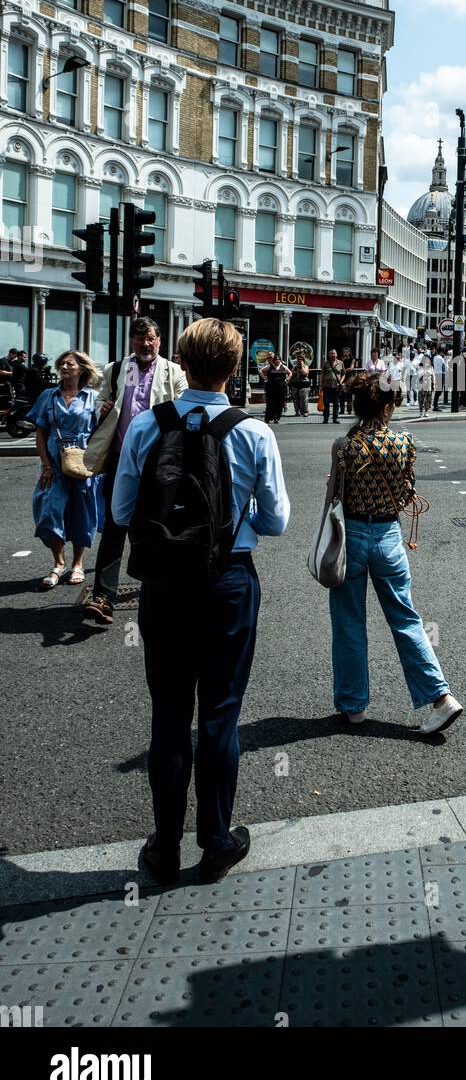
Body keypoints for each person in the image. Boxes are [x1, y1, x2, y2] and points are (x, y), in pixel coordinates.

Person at [112, 318, 290, 886]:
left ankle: (163, 845)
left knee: (168, 714)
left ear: (181, 363)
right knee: (219, 713)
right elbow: (277, 521)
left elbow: (118, 515)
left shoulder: (145, 426)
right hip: (227, 583)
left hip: (163, 587)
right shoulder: (254, 432)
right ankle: (215, 840)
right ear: (235, 368)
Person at [327, 373, 462, 732]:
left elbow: (333, 498)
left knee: (349, 621)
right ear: (387, 407)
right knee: (405, 619)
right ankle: (441, 697)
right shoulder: (404, 442)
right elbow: (406, 493)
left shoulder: (344, 446)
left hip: (351, 535)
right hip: (388, 536)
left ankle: (354, 705)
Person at [81, 319, 186, 626]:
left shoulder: (173, 372)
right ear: (131, 341)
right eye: (140, 339)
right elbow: (100, 399)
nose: (145, 344)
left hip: (157, 463)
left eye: (150, 339)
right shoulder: (116, 369)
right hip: (119, 460)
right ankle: (103, 597)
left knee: (158, 527)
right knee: (115, 526)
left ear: (159, 341)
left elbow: (183, 403)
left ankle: (162, 591)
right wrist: (101, 407)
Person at [28, 350, 104, 590]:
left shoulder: (93, 397)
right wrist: (46, 465)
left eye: (69, 364)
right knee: (49, 512)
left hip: (83, 460)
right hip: (54, 460)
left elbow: (101, 433)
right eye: (61, 364)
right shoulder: (48, 396)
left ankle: (78, 564)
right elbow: (40, 433)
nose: (64, 367)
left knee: (81, 512)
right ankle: (58, 563)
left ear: (81, 368)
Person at [260, 353, 289, 424]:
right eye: (276, 359)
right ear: (274, 360)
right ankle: (268, 418)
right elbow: (260, 371)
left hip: (281, 387)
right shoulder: (270, 366)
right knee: (270, 403)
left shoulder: (283, 366)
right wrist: (265, 378)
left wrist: (287, 379)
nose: (277, 361)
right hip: (271, 387)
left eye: (279, 359)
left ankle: (277, 418)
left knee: (280, 403)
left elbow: (290, 373)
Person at [320, 348, 345, 424]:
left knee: (336, 403)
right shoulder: (326, 363)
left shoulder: (340, 363)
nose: (333, 355)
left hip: (336, 386)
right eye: (331, 354)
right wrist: (321, 385)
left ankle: (335, 418)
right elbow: (322, 374)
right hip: (327, 386)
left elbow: (343, 374)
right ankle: (326, 418)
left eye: (334, 353)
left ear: (336, 354)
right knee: (326, 402)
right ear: (329, 355)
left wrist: (340, 382)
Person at [339, 348, 356, 416]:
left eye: (346, 352)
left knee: (349, 394)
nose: (345, 353)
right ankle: (342, 410)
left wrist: (344, 370)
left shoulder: (352, 359)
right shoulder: (342, 359)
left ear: (349, 352)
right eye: (344, 352)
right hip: (342, 378)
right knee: (342, 394)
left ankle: (349, 409)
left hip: (349, 378)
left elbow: (351, 368)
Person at [416, 354, 434, 418]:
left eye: (428, 360)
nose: (427, 361)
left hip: (428, 385)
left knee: (428, 399)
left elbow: (433, 376)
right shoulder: (420, 367)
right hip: (421, 385)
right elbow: (419, 375)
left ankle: (426, 412)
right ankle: (421, 412)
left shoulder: (431, 367)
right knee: (421, 399)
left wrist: (434, 384)